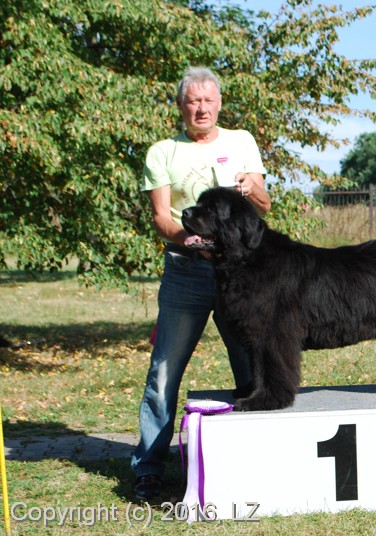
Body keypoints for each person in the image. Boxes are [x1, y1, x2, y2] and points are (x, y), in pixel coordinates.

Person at [132, 66, 271, 501]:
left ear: (219, 104)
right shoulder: (162, 151)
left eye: (208, 100)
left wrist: (251, 188)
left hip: (240, 273)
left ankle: (260, 458)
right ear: (181, 106)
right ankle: (148, 468)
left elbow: (264, 204)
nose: (201, 108)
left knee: (252, 364)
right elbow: (160, 216)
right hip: (186, 271)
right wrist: (188, 239)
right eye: (193, 101)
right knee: (164, 373)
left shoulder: (242, 141)